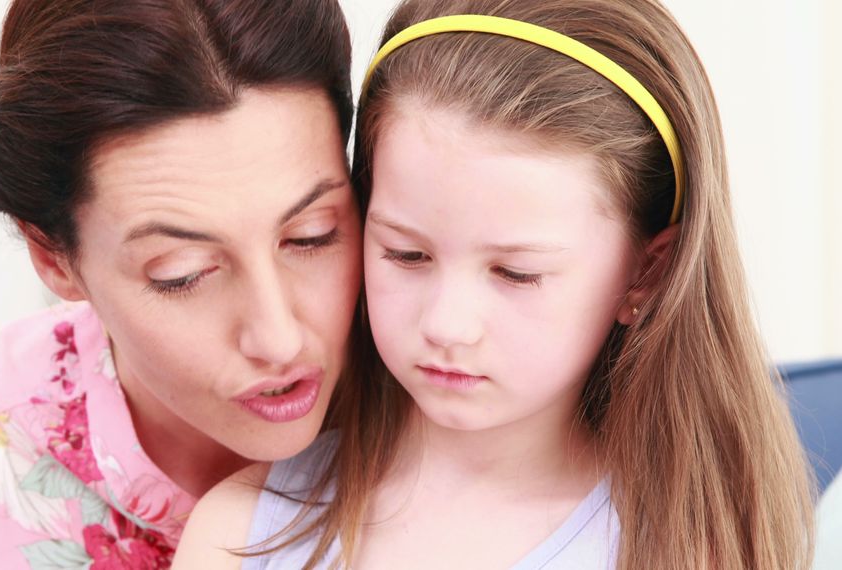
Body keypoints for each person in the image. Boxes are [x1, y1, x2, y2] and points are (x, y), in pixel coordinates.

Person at [174, 0, 816, 568]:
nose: (447, 324)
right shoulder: (243, 532)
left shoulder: (686, 549)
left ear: (647, 271)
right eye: (406, 254)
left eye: (516, 272)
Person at [0, 0, 364, 567]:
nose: (278, 338)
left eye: (312, 236)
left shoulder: (448, 394)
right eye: (182, 274)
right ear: (54, 258)